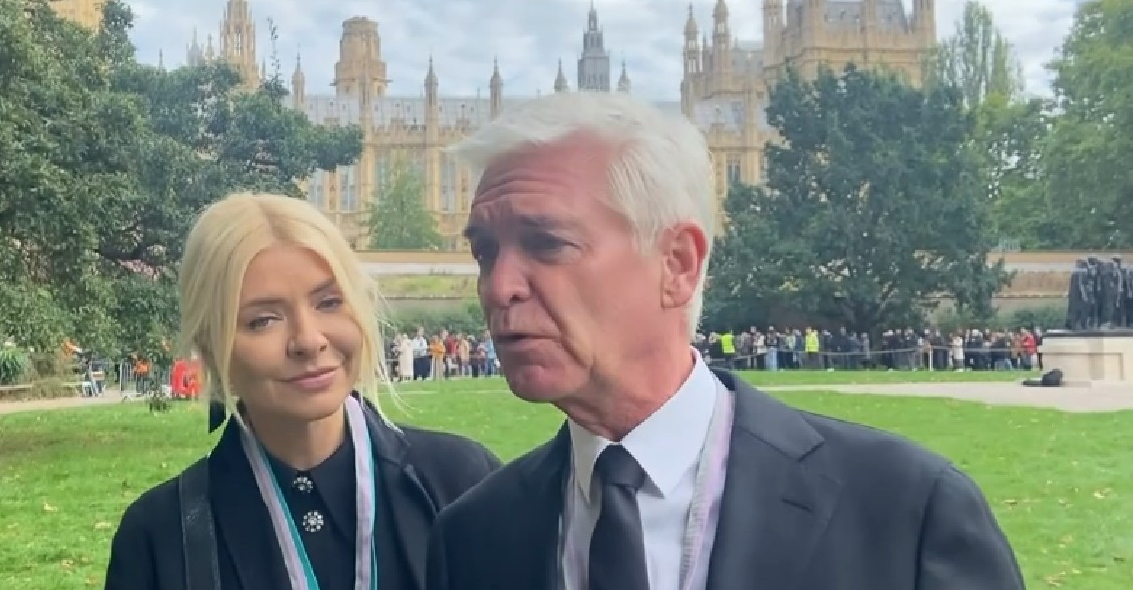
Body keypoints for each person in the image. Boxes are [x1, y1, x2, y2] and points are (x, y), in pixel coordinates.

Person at [424, 92, 1024, 590]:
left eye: (547, 243)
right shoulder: (474, 538)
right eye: (485, 252)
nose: (498, 285)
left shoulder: (905, 511)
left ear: (677, 265)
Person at [105, 193, 501, 590]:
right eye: (263, 320)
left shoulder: (463, 483)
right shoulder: (159, 538)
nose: (309, 341)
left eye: (329, 302)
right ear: (210, 346)